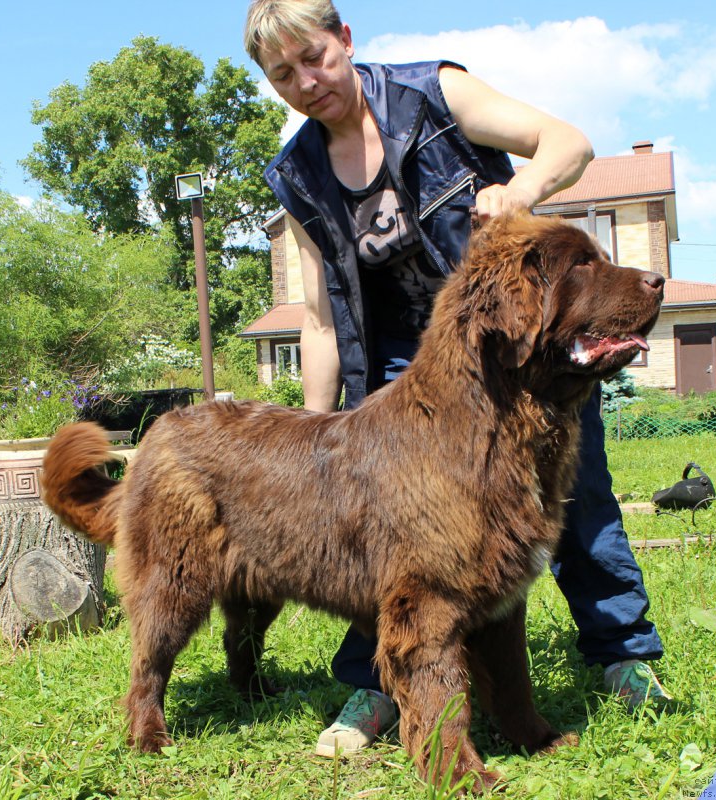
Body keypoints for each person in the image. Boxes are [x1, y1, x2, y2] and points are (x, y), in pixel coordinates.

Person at [243, 0, 671, 758]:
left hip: (521, 340)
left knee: (578, 498)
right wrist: (311, 429)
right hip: (413, 364)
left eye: (314, 57)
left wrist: (524, 190)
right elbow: (317, 318)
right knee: (383, 529)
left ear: (344, 40)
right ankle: (378, 684)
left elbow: (565, 140)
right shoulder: (299, 176)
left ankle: (623, 654)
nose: (306, 81)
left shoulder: (434, 95)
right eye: (283, 75)